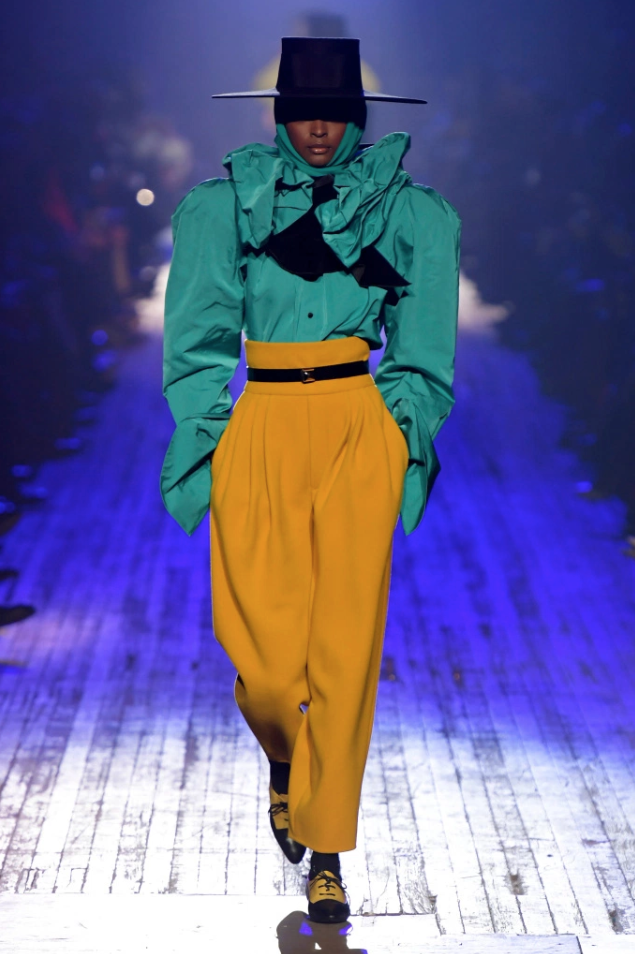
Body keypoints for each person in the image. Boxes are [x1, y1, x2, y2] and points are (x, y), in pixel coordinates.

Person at [160, 37, 461, 924]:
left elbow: (424, 344)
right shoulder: (226, 205)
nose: (319, 129)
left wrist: (395, 435)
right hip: (260, 422)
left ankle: (326, 854)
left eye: (333, 113)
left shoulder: (407, 212)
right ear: (279, 116)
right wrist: (211, 434)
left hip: (353, 424)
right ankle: (285, 761)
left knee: (343, 652)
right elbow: (196, 336)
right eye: (302, 113)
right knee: (261, 661)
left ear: (358, 118)